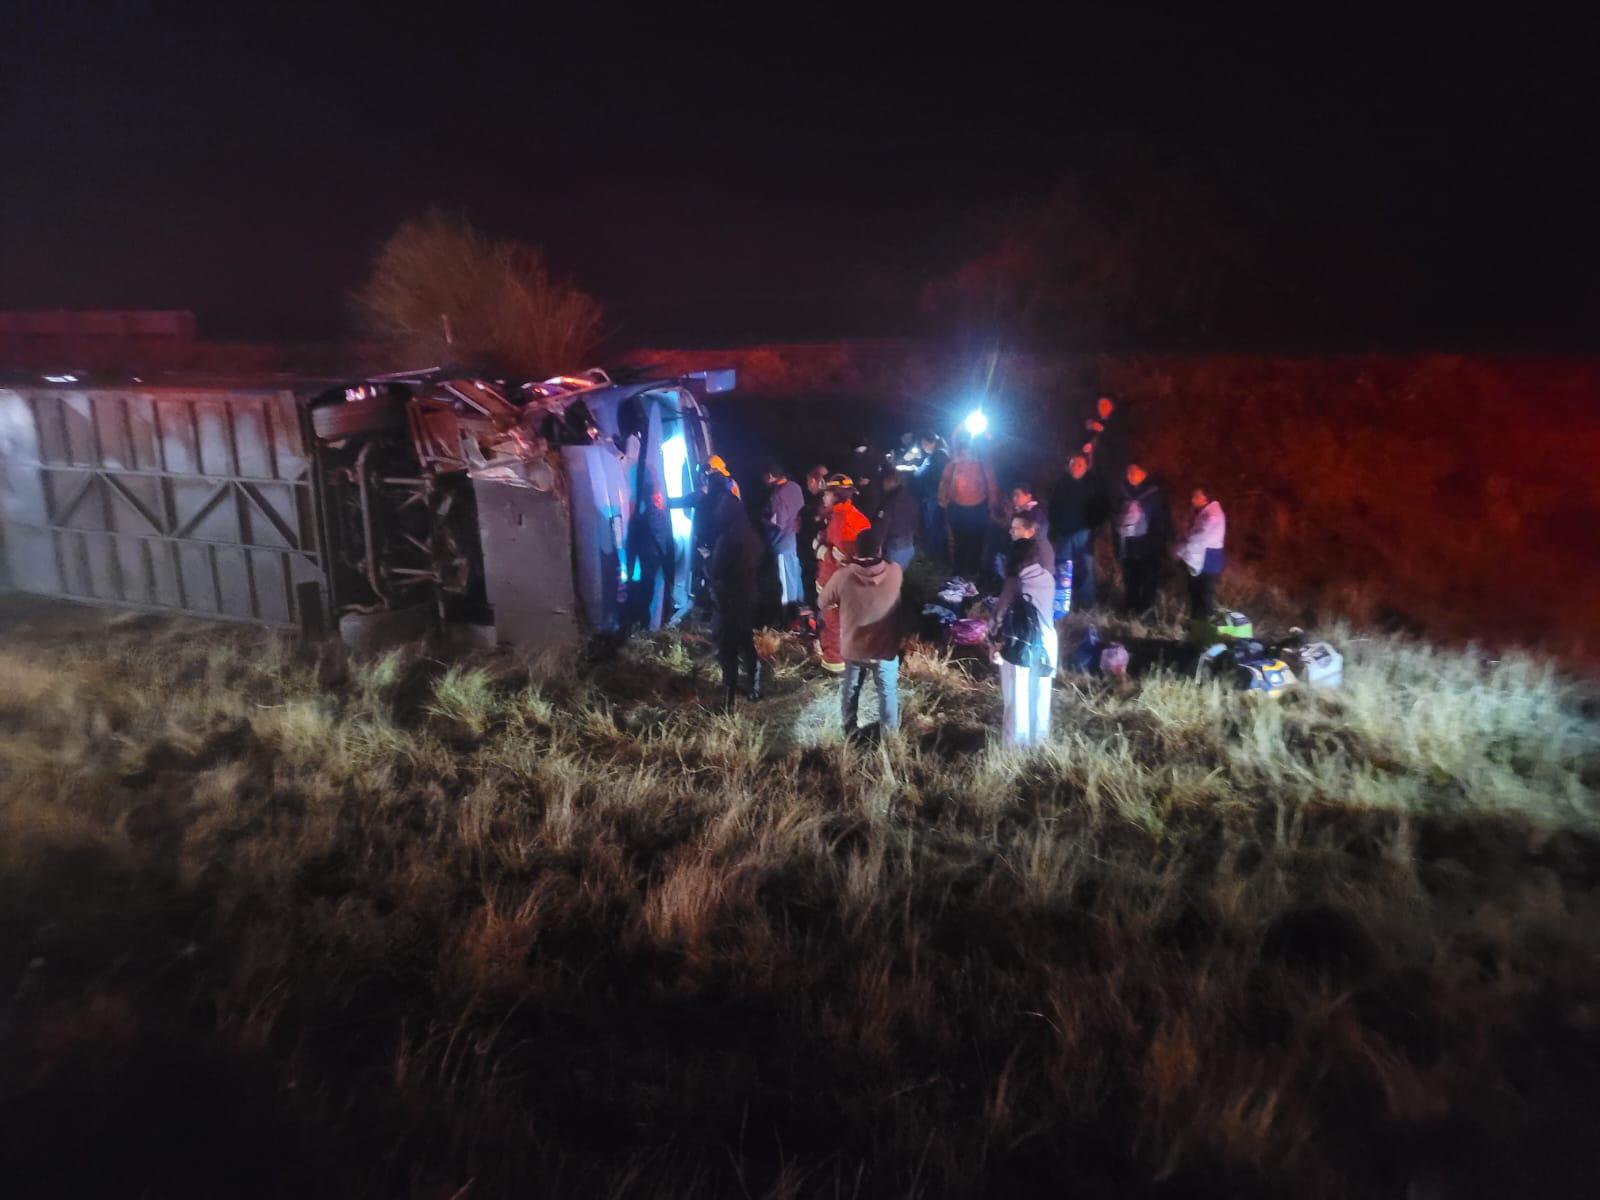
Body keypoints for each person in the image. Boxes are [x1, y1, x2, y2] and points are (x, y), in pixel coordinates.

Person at [817, 527, 904, 737]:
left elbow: (822, 602)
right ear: (880, 549)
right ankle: (890, 734)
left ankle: (849, 728)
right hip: (885, 647)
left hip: (854, 646)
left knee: (851, 686)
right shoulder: (895, 572)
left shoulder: (843, 576)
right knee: (887, 690)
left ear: (856, 550)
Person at [991, 509, 1056, 748]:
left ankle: (1014, 748)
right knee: (1040, 694)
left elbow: (1000, 614)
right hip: (1047, 640)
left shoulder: (1015, 582)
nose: (1011, 531)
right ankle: (1039, 742)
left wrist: (993, 638)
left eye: (1015, 528)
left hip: (1021, 642)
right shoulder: (1047, 578)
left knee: (1017, 695)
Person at [709, 498, 764, 709]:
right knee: (746, 642)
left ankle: (728, 699)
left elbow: (716, 572)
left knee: (728, 648)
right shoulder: (751, 536)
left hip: (728, 600)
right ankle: (754, 687)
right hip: (748, 596)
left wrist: (707, 559)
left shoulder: (725, 540)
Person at [815, 473, 872, 674]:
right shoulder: (852, 515)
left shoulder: (843, 520)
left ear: (836, 495)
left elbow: (843, 557)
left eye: (826, 494)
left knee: (834, 625)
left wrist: (822, 551)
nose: (823, 498)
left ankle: (834, 667)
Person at [1048, 453, 1109, 611]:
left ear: (1086, 467)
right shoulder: (1061, 484)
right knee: (1063, 569)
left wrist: (1093, 525)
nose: (1075, 467)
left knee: (1086, 569)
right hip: (1064, 533)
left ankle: (1086, 604)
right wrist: (1055, 528)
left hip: (1084, 534)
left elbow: (1101, 507)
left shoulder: (1093, 485)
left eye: (1080, 465)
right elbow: (1052, 508)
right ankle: (1061, 603)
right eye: (1073, 464)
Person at [939, 435, 998, 579]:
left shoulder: (983, 466)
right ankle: (958, 569)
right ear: (959, 452)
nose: (965, 455)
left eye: (968, 452)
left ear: (972, 451)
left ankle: (973, 569)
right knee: (959, 540)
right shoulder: (952, 466)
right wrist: (943, 500)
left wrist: (992, 507)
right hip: (958, 509)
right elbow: (944, 483)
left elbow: (992, 488)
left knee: (977, 540)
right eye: (962, 452)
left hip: (978, 509)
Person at [1117, 463, 1171, 617]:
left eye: (1132, 472)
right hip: (1129, 545)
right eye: (1127, 472)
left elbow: (1163, 523)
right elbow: (1117, 515)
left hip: (1148, 547)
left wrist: (1157, 544)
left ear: (1143, 473)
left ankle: (1147, 614)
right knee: (1130, 580)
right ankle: (1130, 610)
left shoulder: (1155, 495)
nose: (1129, 476)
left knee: (1148, 582)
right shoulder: (1125, 493)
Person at [625, 488, 677, 631]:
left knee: (646, 592)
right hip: (660, 559)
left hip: (648, 560)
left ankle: (644, 624)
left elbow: (632, 546)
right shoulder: (663, 517)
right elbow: (668, 541)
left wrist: (629, 571)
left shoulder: (640, 519)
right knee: (656, 591)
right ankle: (657, 623)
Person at [1175, 487, 1226, 620]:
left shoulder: (1212, 516)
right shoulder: (1199, 511)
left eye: (1196, 497)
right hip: (1197, 559)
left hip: (1207, 561)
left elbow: (1198, 537)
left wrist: (1181, 549)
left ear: (1205, 498)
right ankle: (1195, 624)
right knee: (1195, 594)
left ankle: (1204, 628)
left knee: (1204, 596)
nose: (1192, 500)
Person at [762, 462, 805, 611]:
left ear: (770, 476)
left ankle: (789, 621)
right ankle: (800, 613)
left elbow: (778, 522)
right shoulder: (795, 487)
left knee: (786, 585)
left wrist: (762, 520)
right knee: (795, 579)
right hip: (792, 542)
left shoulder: (778, 495)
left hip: (781, 544)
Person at [909, 431, 949, 556]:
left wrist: (916, 470)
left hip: (933, 495)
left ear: (929, 442)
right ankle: (938, 553)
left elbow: (922, 474)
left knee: (933, 526)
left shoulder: (935, 456)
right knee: (938, 526)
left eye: (924, 444)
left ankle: (933, 554)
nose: (923, 447)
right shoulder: (943, 454)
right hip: (939, 495)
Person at [798, 465, 831, 604]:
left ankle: (812, 607)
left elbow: (816, 524)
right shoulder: (820, 499)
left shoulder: (819, 501)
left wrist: (803, 522)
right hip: (813, 550)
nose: (807, 486)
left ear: (812, 481)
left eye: (808, 482)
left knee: (811, 579)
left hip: (813, 551)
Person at [876, 468, 919, 571]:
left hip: (894, 548)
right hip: (908, 545)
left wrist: (878, 545)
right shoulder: (909, 498)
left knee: (890, 579)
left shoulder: (889, 502)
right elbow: (916, 522)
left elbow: (884, 525)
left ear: (891, 482)